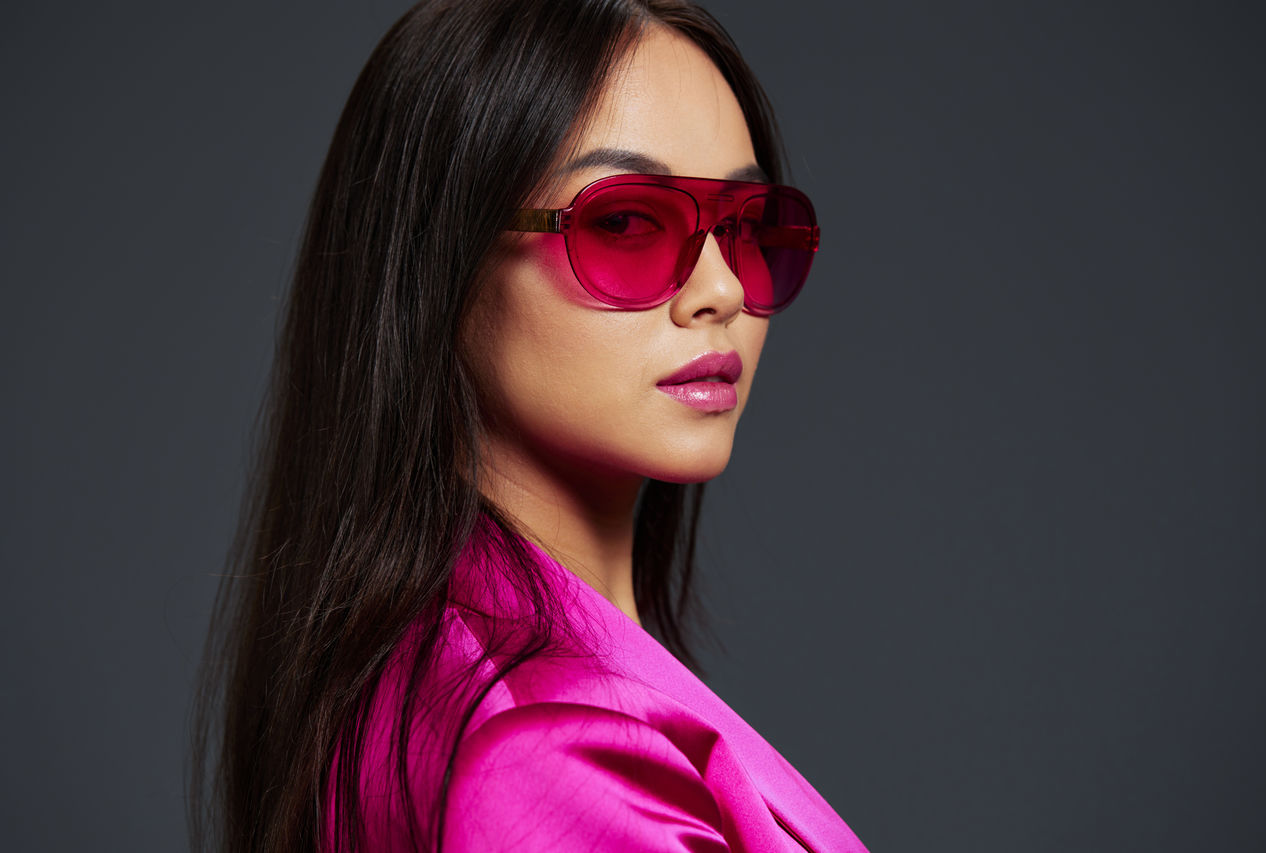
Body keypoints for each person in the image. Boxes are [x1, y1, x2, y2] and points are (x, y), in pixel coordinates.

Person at [192, 1, 867, 850]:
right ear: (443, 262)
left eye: (746, 227)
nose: (722, 289)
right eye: (624, 221)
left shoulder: (434, 681)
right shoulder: (551, 755)